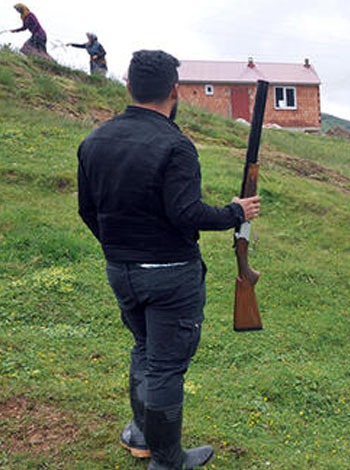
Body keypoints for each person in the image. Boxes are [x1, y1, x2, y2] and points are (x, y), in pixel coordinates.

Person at [77, 50, 261, 469]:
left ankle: (143, 434)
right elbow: (186, 214)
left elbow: (88, 211)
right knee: (164, 367)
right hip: (170, 277)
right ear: (174, 91)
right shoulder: (176, 145)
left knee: (143, 349)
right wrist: (236, 212)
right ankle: (166, 460)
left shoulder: (94, 140)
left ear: (127, 86)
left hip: (120, 271)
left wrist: (120, 249)